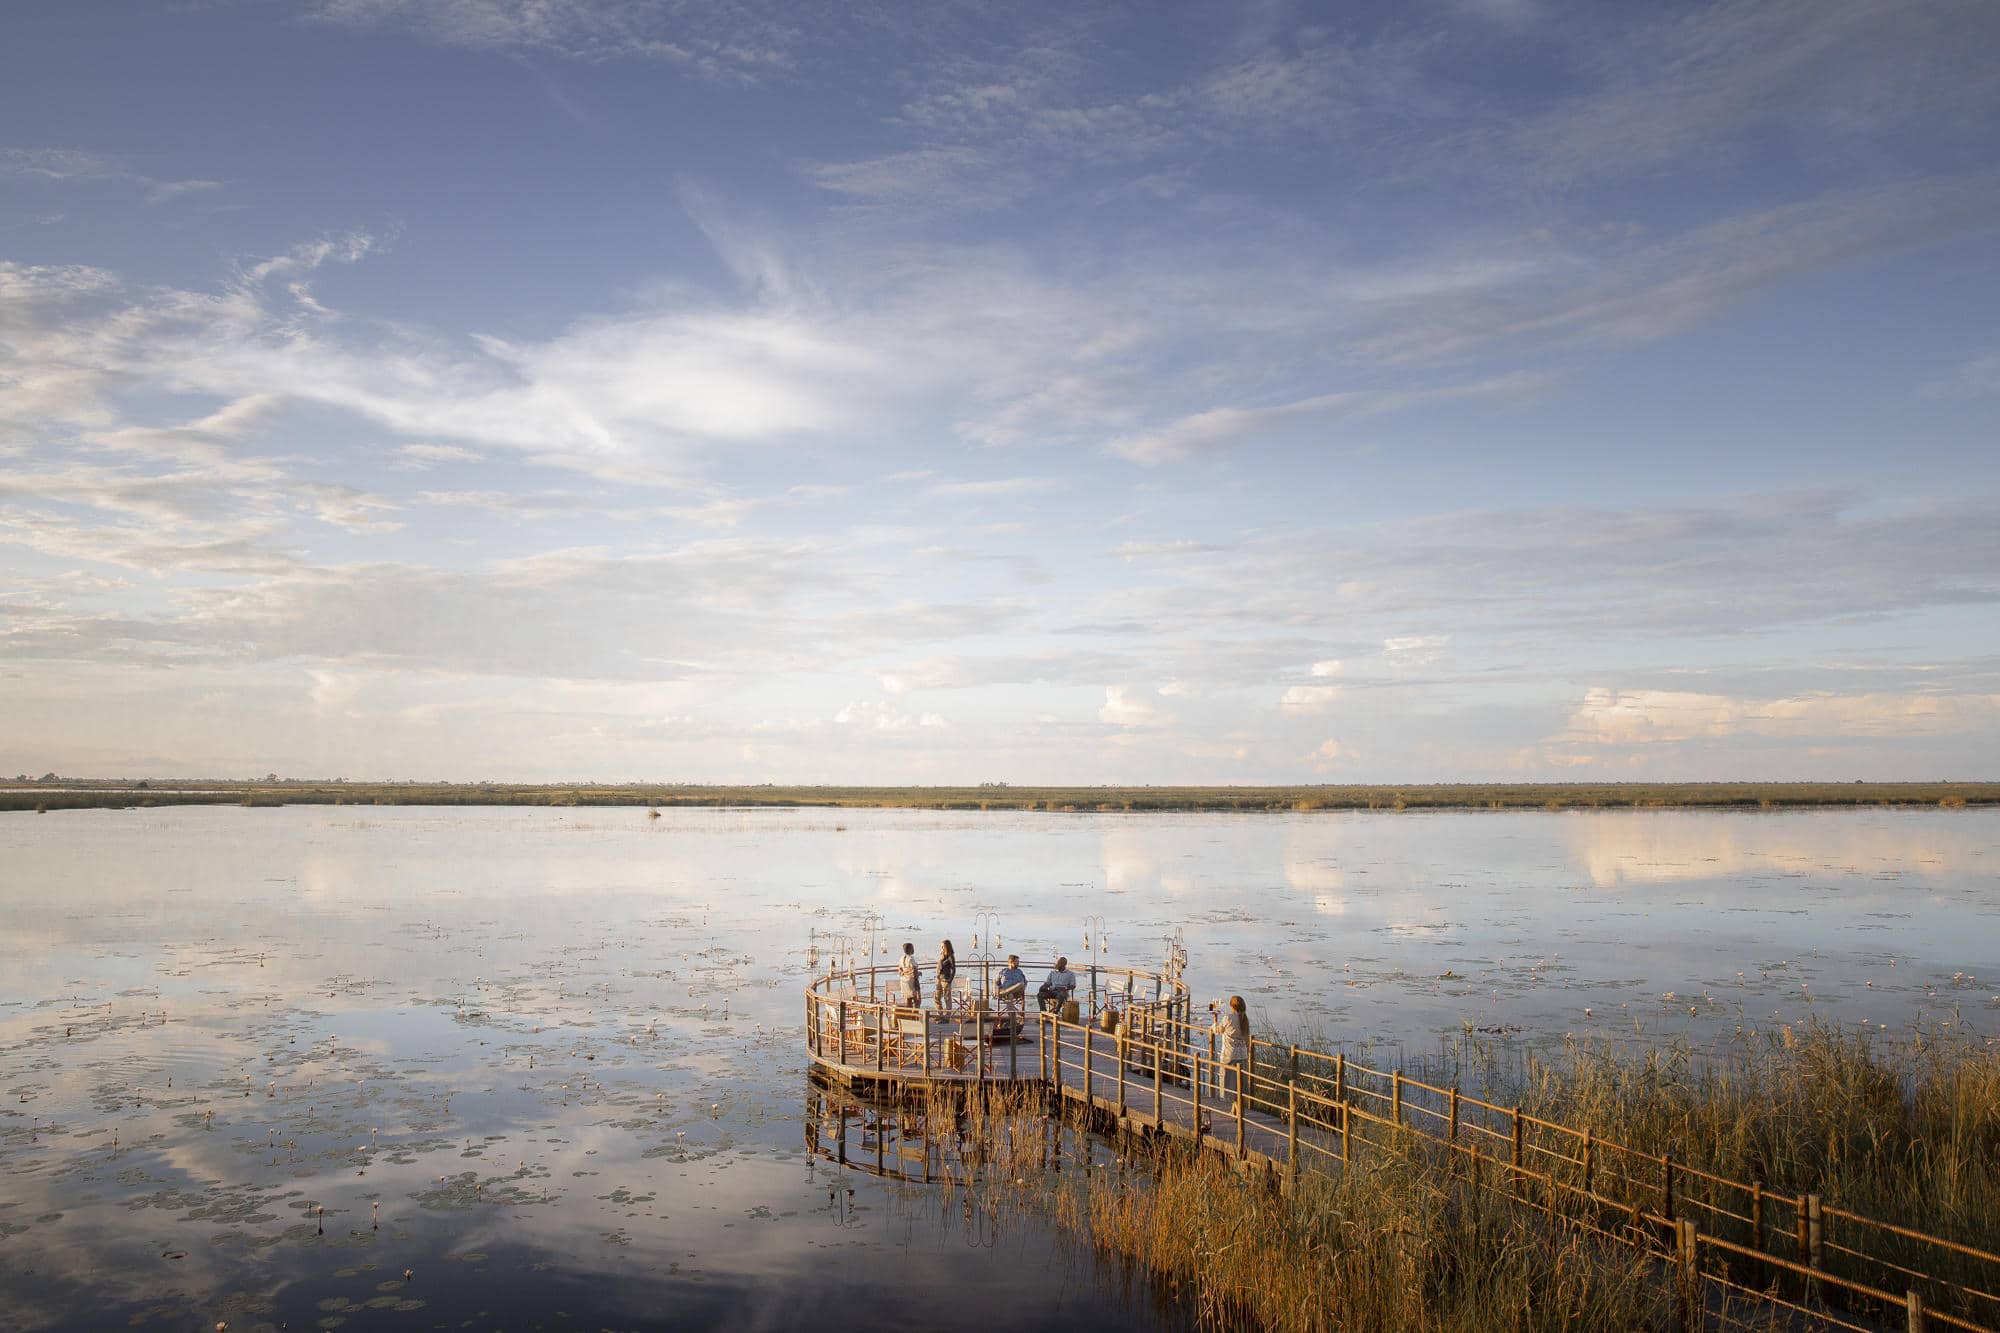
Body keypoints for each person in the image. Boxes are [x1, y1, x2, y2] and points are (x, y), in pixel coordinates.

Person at [1211, 995, 1251, 1107]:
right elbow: (1247, 1039)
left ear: (1232, 1006)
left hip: (1229, 1056)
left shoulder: (1228, 1018)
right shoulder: (1245, 1020)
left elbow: (1218, 1030)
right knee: (1239, 1084)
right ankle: (1236, 1108)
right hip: (1242, 1055)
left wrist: (1214, 1021)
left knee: (1229, 1084)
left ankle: (1237, 1110)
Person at [896, 941, 921, 1008]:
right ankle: (915, 1016)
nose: (913, 949)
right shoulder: (911, 959)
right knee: (917, 1000)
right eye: (912, 948)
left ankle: (909, 1015)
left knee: (908, 1000)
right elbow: (914, 971)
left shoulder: (901, 958)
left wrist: (905, 972)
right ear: (910, 949)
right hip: (911, 981)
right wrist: (918, 974)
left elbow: (900, 970)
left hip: (904, 981)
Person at [934, 939, 957, 1011]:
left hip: (945, 980)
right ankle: (939, 1014)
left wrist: (950, 980)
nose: (941, 948)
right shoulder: (942, 956)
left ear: (947, 947)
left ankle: (947, 1016)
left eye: (943, 947)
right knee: (937, 997)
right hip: (939, 979)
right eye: (941, 947)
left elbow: (953, 969)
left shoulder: (950, 956)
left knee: (947, 998)